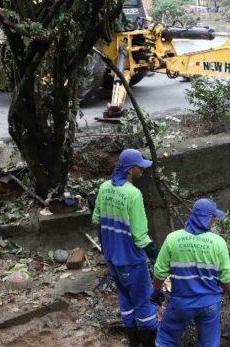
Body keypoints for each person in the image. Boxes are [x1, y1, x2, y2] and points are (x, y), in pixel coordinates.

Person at [93, 148, 161, 346]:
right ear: (131, 169)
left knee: (126, 301)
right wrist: (157, 257)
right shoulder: (133, 194)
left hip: (112, 258)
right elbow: (140, 237)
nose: (143, 170)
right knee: (145, 305)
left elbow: (96, 218)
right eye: (140, 167)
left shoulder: (104, 187)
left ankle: (133, 342)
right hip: (131, 260)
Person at [150, 198, 230, 347]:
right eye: (213, 217)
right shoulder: (218, 243)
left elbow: (159, 271)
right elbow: (226, 275)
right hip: (209, 305)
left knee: (166, 340)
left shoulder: (173, 239)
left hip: (181, 304)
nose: (214, 221)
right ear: (206, 218)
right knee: (209, 343)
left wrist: (156, 291)